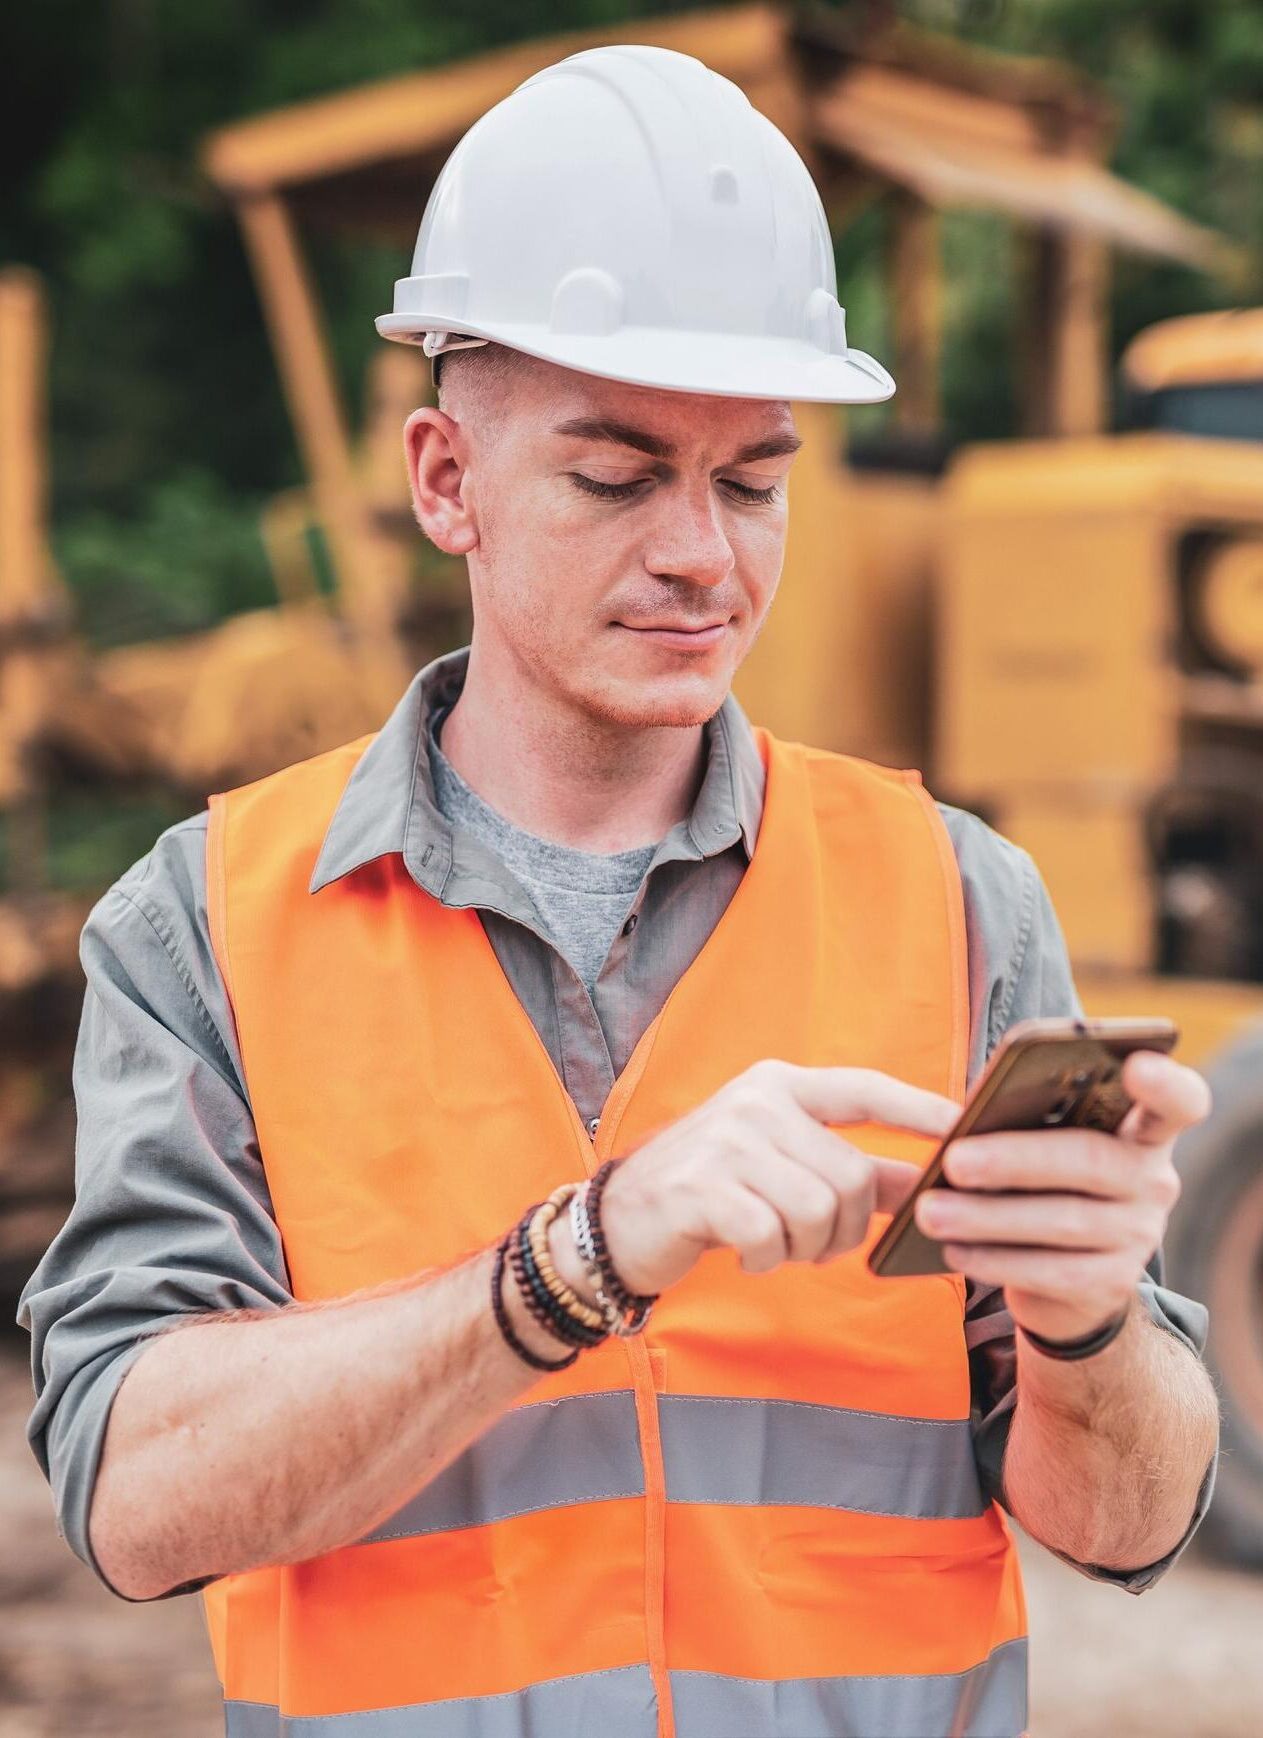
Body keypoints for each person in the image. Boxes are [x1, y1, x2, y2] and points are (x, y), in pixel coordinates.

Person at [19, 42, 1217, 1738]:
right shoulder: (208, 915)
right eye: (616, 475)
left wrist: (1092, 1322)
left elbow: (1134, 1520)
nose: (703, 557)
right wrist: (574, 1260)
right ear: (449, 481)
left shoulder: (955, 896)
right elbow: (134, 1496)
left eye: (754, 481)